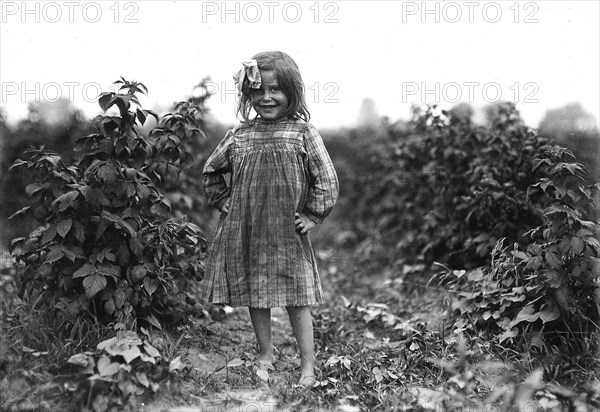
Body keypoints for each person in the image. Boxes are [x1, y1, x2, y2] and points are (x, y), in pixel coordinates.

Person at [201, 51, 339, 388]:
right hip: (247, 230)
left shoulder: (303, 133)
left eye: (275, 89)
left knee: (297, 297)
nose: (266, 97)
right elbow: (211, 171)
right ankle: (266, 353)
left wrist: (312, 214)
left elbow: (327, 179)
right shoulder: (241, 135)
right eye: (258, 91)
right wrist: (225, 202)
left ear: (292, 92)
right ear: (248, 94)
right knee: (256, 293)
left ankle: (308, 365)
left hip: (287, 232)